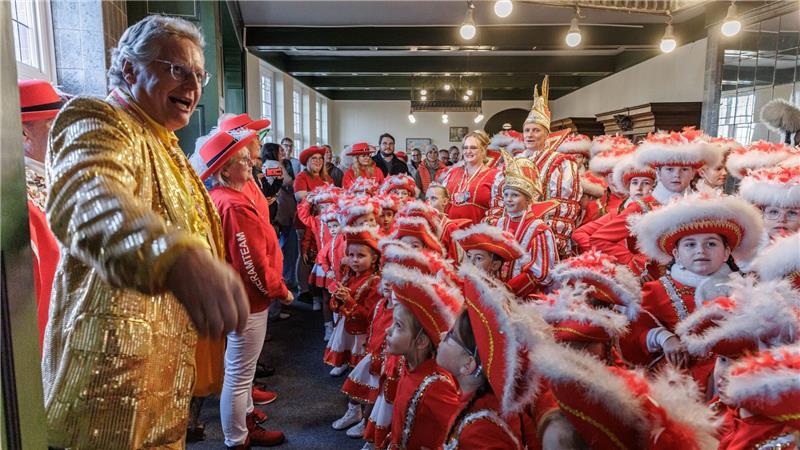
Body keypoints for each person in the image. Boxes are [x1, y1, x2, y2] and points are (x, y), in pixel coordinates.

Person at [43, 15, 249, 448]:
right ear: (131, 69)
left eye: (198, 75)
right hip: (104, 389)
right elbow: (87, 198)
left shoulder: (163, 141)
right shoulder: (100, 119)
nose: (192, 88)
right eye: (176, 70)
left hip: (161, 381)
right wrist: (175, 256)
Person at [197, 129, 291, 448]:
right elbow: (251, 263)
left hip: (238, 297)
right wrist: (279, 290)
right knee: (239, 376)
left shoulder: (224, 198)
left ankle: (245, 424)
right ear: (225, 170)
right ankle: (237, 439)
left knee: (241, 372)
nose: (251, 162)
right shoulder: (233, 205)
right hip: (248, 301)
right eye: (242, 160)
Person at [622, 193, 763, 394]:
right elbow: (633, 333)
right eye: (690, 244)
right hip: (678, 384)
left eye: (711, 243)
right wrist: (663, 338)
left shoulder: (745, 289)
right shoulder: (656, 290)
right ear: (676, 254)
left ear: (726, 253)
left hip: (733, 381)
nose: (701, 251)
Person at [438, 264, 550, 450]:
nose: (442, 336)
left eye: (451, 336)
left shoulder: (482, 432)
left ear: (468, 364)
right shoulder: (480, 405)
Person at [588, 128, 720, 277]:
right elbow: (599, 239)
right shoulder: (642, 207)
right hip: (655, 285)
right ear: (658, 172)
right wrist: (635, 262)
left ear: (693, 173)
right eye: (669, 169)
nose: (676, 175)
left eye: (684, 169)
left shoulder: (703, 205)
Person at [382, 264, 463, 450]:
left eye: (398, 326)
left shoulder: (436, 385)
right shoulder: (408, 363)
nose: (388, 330)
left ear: (421, 341)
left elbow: (458, 430)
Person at [18, 79, 64, 349]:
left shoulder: (56, 176)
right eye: (55, 126)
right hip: (42, 337)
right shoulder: (18, 195)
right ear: (25, 133)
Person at [329, 226, 383, 438]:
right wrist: (337, 300)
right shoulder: (349, 276)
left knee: (361, 375)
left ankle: (362, 415)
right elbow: (337, 305)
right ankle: (354, 410)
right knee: (353, 370)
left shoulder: (375, 282)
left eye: (361, 255)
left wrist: (349, 301)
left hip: (363, 337)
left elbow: (369, 315)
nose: (354, 260)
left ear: (375, 258)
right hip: (348, 332)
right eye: (350, 255)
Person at [518, 76, 581, 257]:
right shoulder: (517, 160)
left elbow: (564, 207)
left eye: (536, 130)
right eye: (527, 130)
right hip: (516, 233)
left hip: (544, 236)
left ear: (547, 135)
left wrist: (552, 240)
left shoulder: (561, 163)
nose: (530, 135)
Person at [496, 151, 559, 297]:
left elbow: (541, 273)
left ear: (529, 200)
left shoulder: (539, 229)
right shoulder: (499, 223)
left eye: (515, 195)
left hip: (525, 297)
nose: (509, 199)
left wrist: (509, 289)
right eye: (506, 195)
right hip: (498, 291)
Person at [717, 343, 800, 449]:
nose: (725, 374)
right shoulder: (718, 409)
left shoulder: (780, 434)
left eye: (743, 365)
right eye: (722, 360)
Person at [572, 153, 655, 253]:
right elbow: (580, 234)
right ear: (605, 178)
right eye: (635, 182)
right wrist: (606, 254)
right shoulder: (612, 210)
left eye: (646, 183)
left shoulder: (662, 209)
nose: (615, 180)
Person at [439, 130, 503, 225]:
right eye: (465, 148)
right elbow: (440, 203)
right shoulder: (451, 173)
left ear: (483, 149)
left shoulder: (496, 176)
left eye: (473, 148)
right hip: (449, 235)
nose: (468, 151)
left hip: (477, 236)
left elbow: (498, 211)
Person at [260, 143, 286, 224]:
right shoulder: (275, 164)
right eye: (280, 151)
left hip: (262, 198)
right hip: (270, 199)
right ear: (274, 152)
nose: (282, 153)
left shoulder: (262, 163)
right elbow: (286, 182)